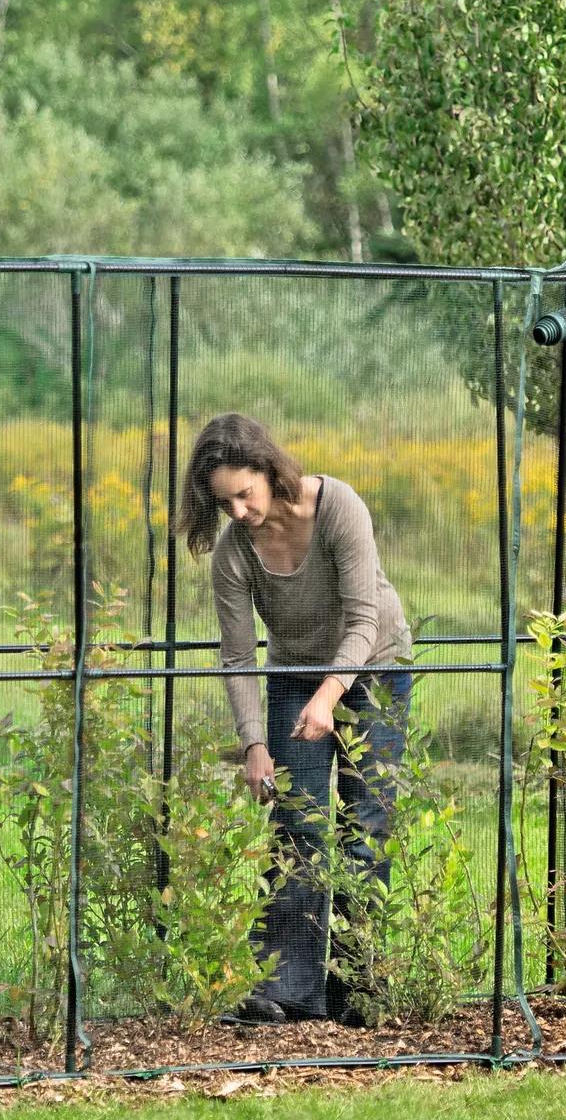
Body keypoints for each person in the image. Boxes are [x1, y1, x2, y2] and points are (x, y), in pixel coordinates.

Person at [177, 411, 413, 1024]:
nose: (236, 511)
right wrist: (255, 746)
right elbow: (235, 655)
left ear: (270, 471)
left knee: (365, 822)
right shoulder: (233, 552)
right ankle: (290, 991)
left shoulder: (338, 508)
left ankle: (358, 989)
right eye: (222, 501)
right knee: (296, 828)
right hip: (293, 675)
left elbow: (363, 619)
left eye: (244, 494)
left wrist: (331, 695)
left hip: (374, 669)